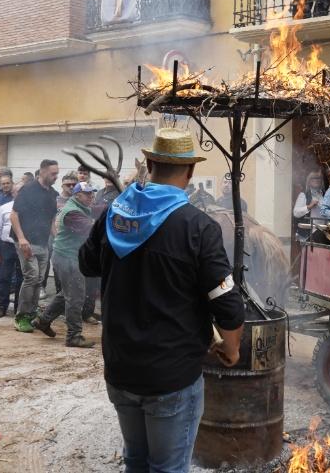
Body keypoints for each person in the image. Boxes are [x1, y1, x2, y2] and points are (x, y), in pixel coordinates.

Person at [78, 128, 244, 472]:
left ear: (149, 164)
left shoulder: (113, 215)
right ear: (190, 172)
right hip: (171, 376)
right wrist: (232, 349)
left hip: (121, 369)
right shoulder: (198, 227)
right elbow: (227, 306)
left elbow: (86, 263)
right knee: (167, 468)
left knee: (135, 461)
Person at [32, 182, 99, 347]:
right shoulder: (72, 212)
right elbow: (91, 228)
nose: (91, 196)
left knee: (66, 294)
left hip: (69, 257)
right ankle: (73, 336)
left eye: (92, 193)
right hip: (68, 258)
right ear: (78, 195)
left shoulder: (80, 207)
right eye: (87, 194)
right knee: (75, 298)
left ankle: (43, 320)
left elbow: (101, 209)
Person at [10, 159, 59, 332]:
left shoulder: (53, 193)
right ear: (43, 172)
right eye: (53, 173)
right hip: (26, 242)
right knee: (31, 277)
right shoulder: (28, 190)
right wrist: (22, 239)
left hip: (43, 242)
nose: (56, 176)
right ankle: (21, 316)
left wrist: (57, 238)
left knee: (39, 280)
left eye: (57, 173)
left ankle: (31, 313)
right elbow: (14, 215)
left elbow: (52, 219)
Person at [0, 180, 24, 320]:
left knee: (22, 279)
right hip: (7, 246)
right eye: (18, 191)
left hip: (23, 246)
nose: (20, 194)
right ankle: (2, 307)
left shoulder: (30, 208)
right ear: (13, 193)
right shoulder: (4, 208)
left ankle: (19, 308)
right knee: (4, 277)